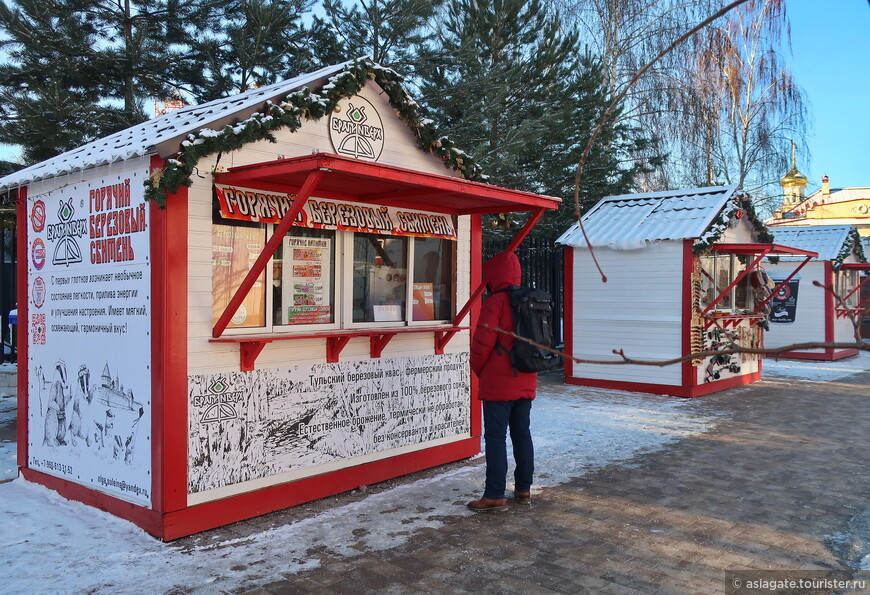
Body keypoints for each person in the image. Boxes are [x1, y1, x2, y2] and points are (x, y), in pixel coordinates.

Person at [468, 251, 536, 511]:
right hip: (526, 376)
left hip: (498, 382)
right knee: (522, 434)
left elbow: (482, 344)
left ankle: (495, 494)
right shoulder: (530, 298)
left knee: (496, 437)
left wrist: (478, 370)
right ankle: (523, 488)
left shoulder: (495, 302)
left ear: (495, 274)